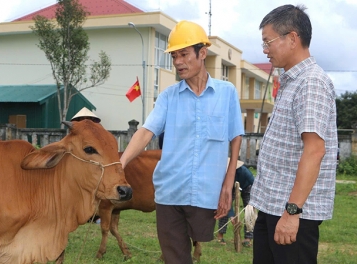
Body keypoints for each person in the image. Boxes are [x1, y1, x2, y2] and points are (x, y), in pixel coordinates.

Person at [120, 20, 244, 264]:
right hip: (169, 193)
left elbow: (235, 137)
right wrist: (120, 163)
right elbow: (145, 132)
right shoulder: (168, 97)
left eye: (184, 54)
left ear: (202, 54)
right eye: (174, 56)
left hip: (207, 194)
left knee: (195, 249)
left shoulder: (226, 92)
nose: (178, 62)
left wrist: (227, 184)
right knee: (175, 258)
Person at [249, 5, 338, 264]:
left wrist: (292, 212)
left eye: (268, 42)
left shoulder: (311, 82)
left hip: (291, 212)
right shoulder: (291, 82)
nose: (265, 50)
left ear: (292, 38)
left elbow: (314, 150)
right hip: (272, 205)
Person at [216, 159, 254, 247]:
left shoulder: (244, 172)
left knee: (249, 211)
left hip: (247, 187)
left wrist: (254, 202)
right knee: (225, 209)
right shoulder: (224, 175)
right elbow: (225, 200)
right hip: (230, 187)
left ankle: (248, 238)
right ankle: (220, 235)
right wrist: (231, 215)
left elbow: (254, 184)